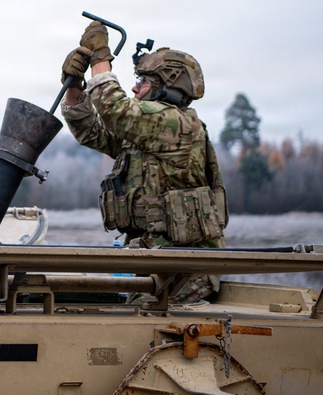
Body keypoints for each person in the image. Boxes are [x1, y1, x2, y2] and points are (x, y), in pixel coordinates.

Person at [60, 21, 228, 300]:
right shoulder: (145, 134)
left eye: (143, 82)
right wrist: (75, 89)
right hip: (152, 264)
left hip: (185, 273)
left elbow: (117, 111)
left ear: (168, 87)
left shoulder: (178, 124)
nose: (136, 89)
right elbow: (92, 133)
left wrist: (100, 60)